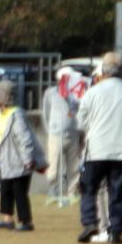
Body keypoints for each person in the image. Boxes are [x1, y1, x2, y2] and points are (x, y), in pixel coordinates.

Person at [75, 52, 122, 244]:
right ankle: (116, 230)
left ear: (103, 71)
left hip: (96, 148)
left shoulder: (92, 92)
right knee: (118, 191)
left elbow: (81, 122)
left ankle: (89, 221)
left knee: (89, 187)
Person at [0, 79, 44, 232]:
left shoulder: (16, 115)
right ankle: (7, 219)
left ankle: (26, 222)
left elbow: (24, 137)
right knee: (5, 190)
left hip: (20, 160)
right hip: (6, 159)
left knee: (20, 191)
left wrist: (28, 159)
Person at [42, 66, 85, 207]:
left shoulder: (78, 93)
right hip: (56, 135)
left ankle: (72, 193)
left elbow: (81, 112)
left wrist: (80, 132)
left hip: (73, 134)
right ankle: (53, 192)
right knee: (53, 166)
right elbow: (45, 113)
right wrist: (50, 129)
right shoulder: (51, 93)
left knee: (73, 167)